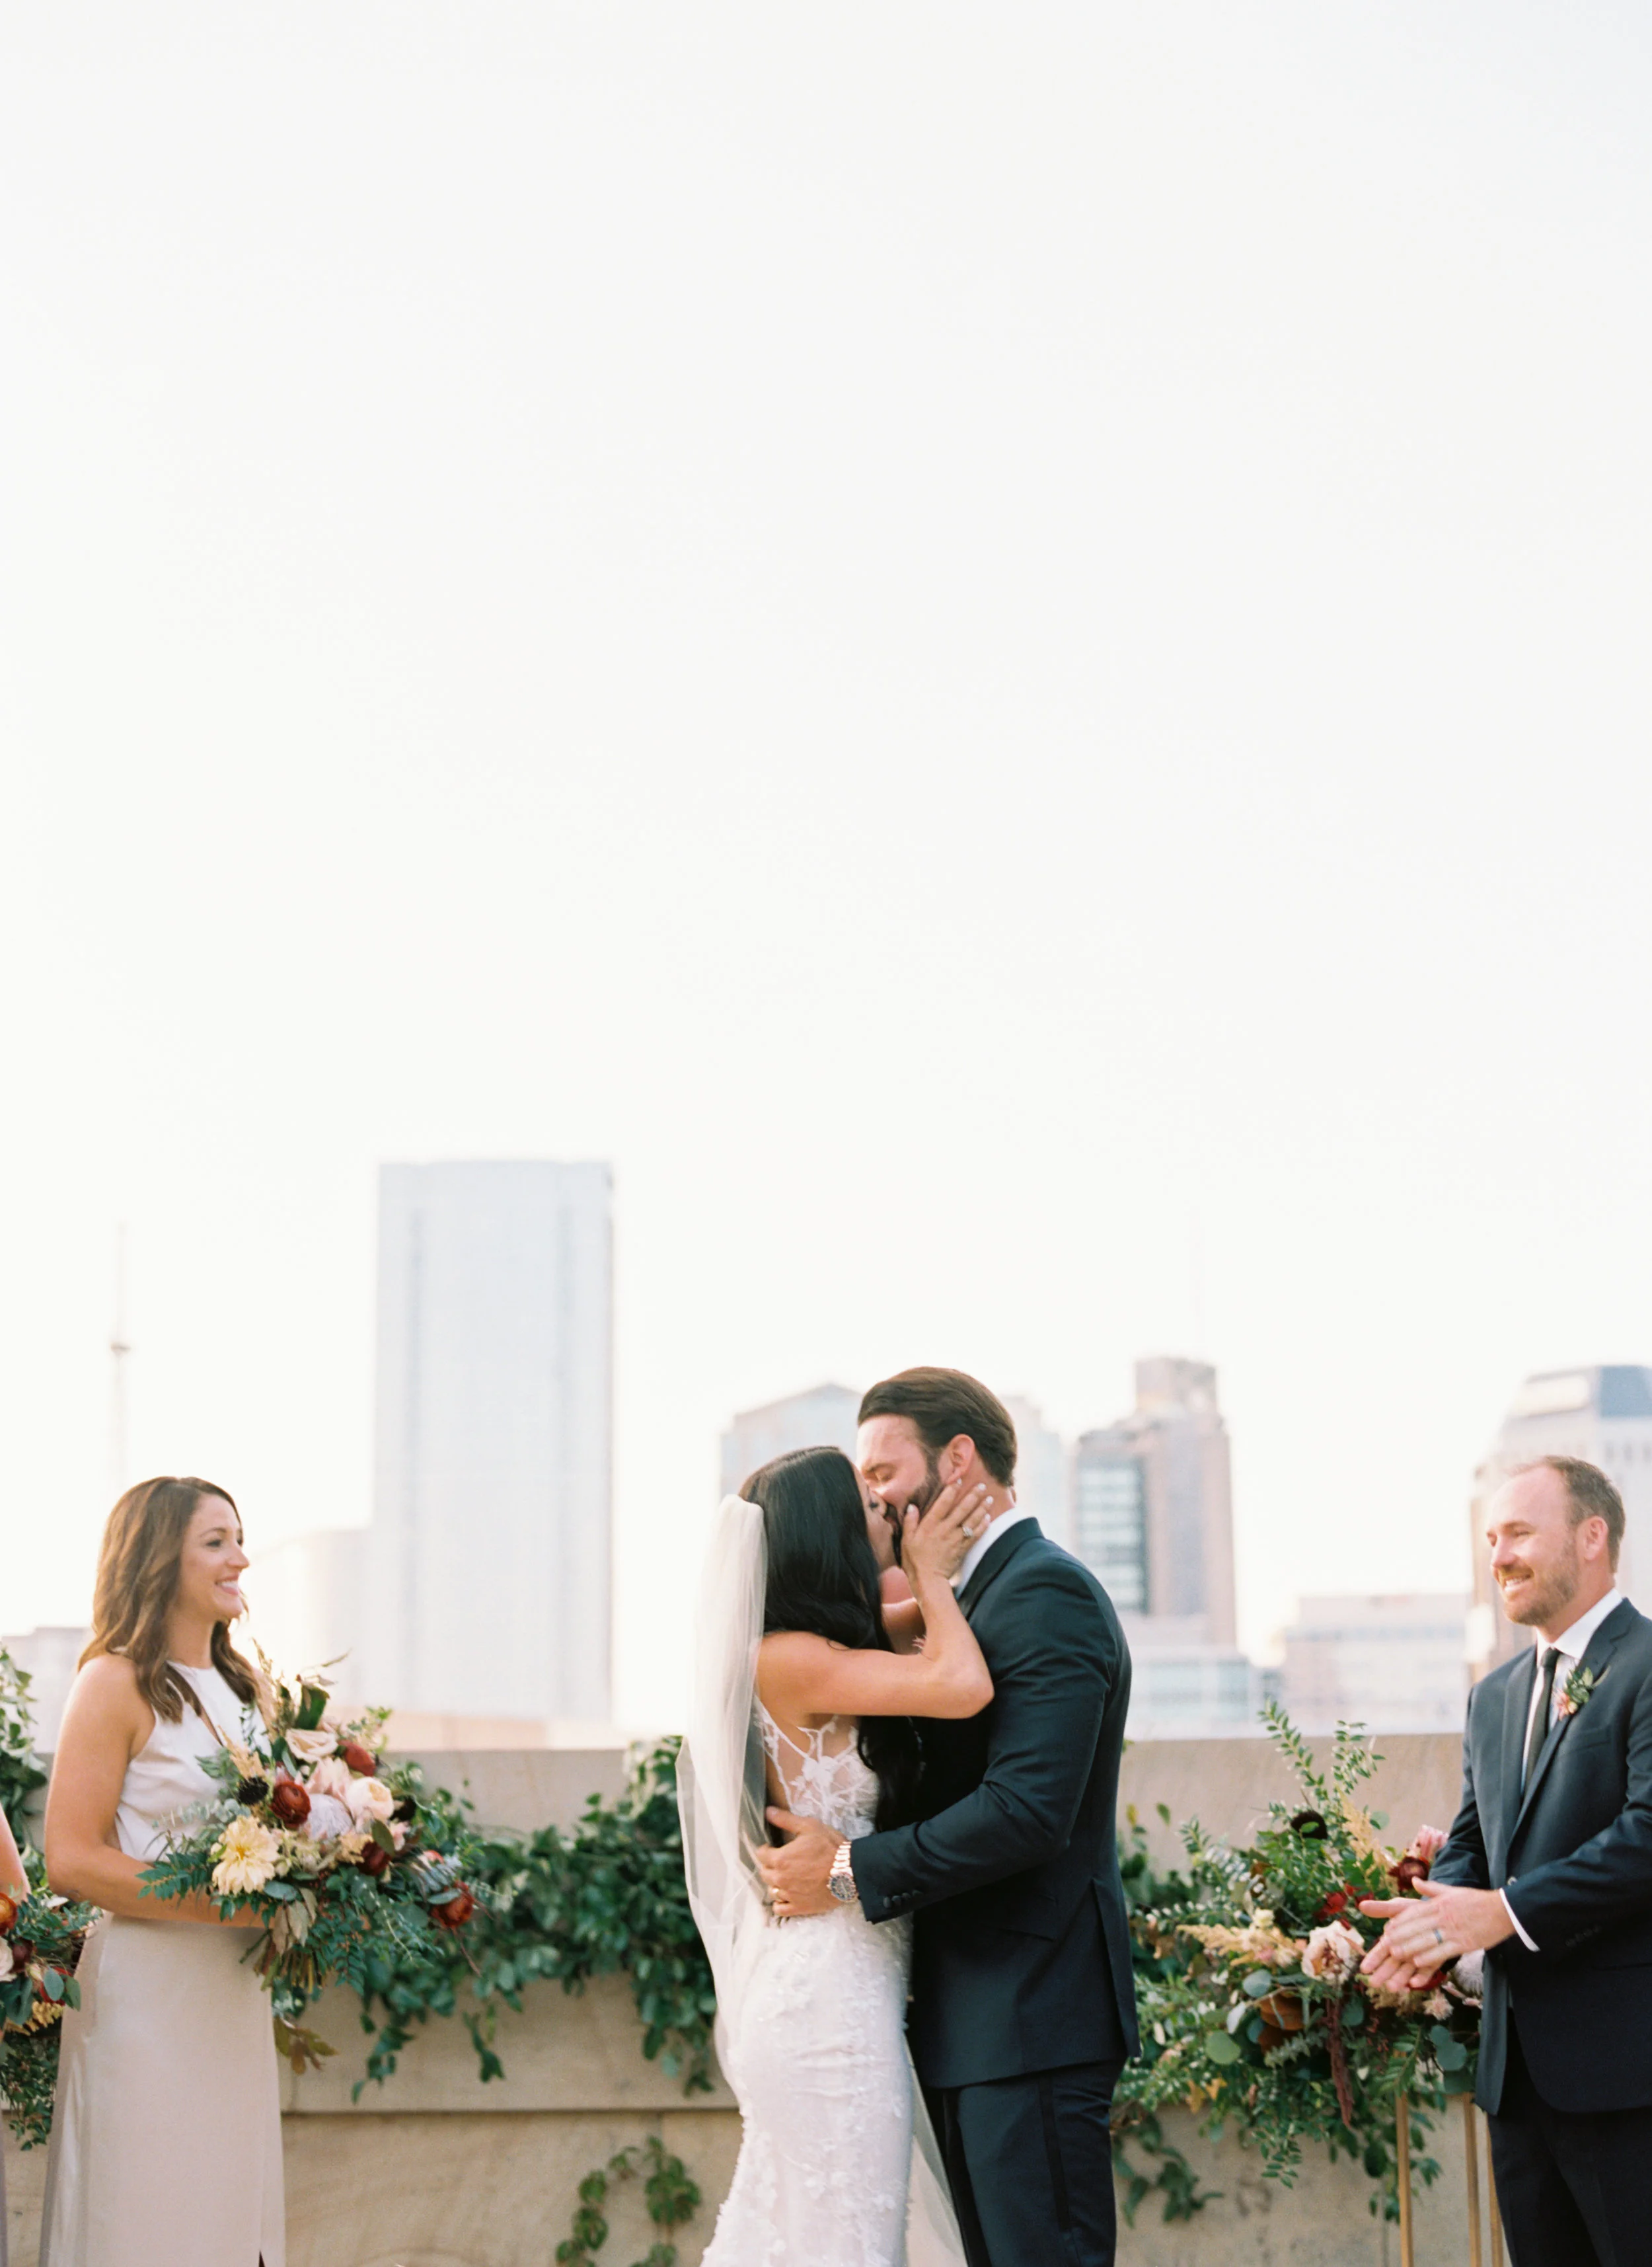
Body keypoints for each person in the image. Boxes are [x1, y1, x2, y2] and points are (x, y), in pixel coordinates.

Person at [757, 1369, 1138, 2267]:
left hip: (1029, 2017)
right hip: (964, 2017)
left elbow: (1027, 1811)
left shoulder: (1044, 1591)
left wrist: (848, 1867)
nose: (877, 1499)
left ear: (958, 1459)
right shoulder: (955, 1600)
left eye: (884, 1472)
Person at [679, 1444, 999, 2267]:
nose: (886, 1510)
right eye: (868, 1503)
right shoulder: (790, 1657)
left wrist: (923, 1576)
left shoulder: (824, 1646)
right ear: (826, 1532)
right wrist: (927, 1572)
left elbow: (922, 1636)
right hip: (828, 2005)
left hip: (840, 1986)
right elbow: (961, 1684)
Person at [1360, 1455, 1652, 2267]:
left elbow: (1647, 1835)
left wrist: (1501, 1911)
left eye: (1519, 1532)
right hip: (1515, 2080)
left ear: (1592, 1536)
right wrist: (1428, 1930)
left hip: (1630, 2077)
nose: (1497, 1558)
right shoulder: (1492, 1695)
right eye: (1490, 1538)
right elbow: (1473, 1844)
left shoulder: (1647, 1664)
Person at [40, 1477, 285, 2267]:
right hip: (146, 2002)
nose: (239, 1558)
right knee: (143, 2219)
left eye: (238, 1539)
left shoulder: (251, 1689)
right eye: (216, 1542)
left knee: (223, 2217)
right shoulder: (113, 1682)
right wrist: (224, 1908)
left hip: (230, 1998)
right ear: (158, 1561)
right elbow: (71, 1858)